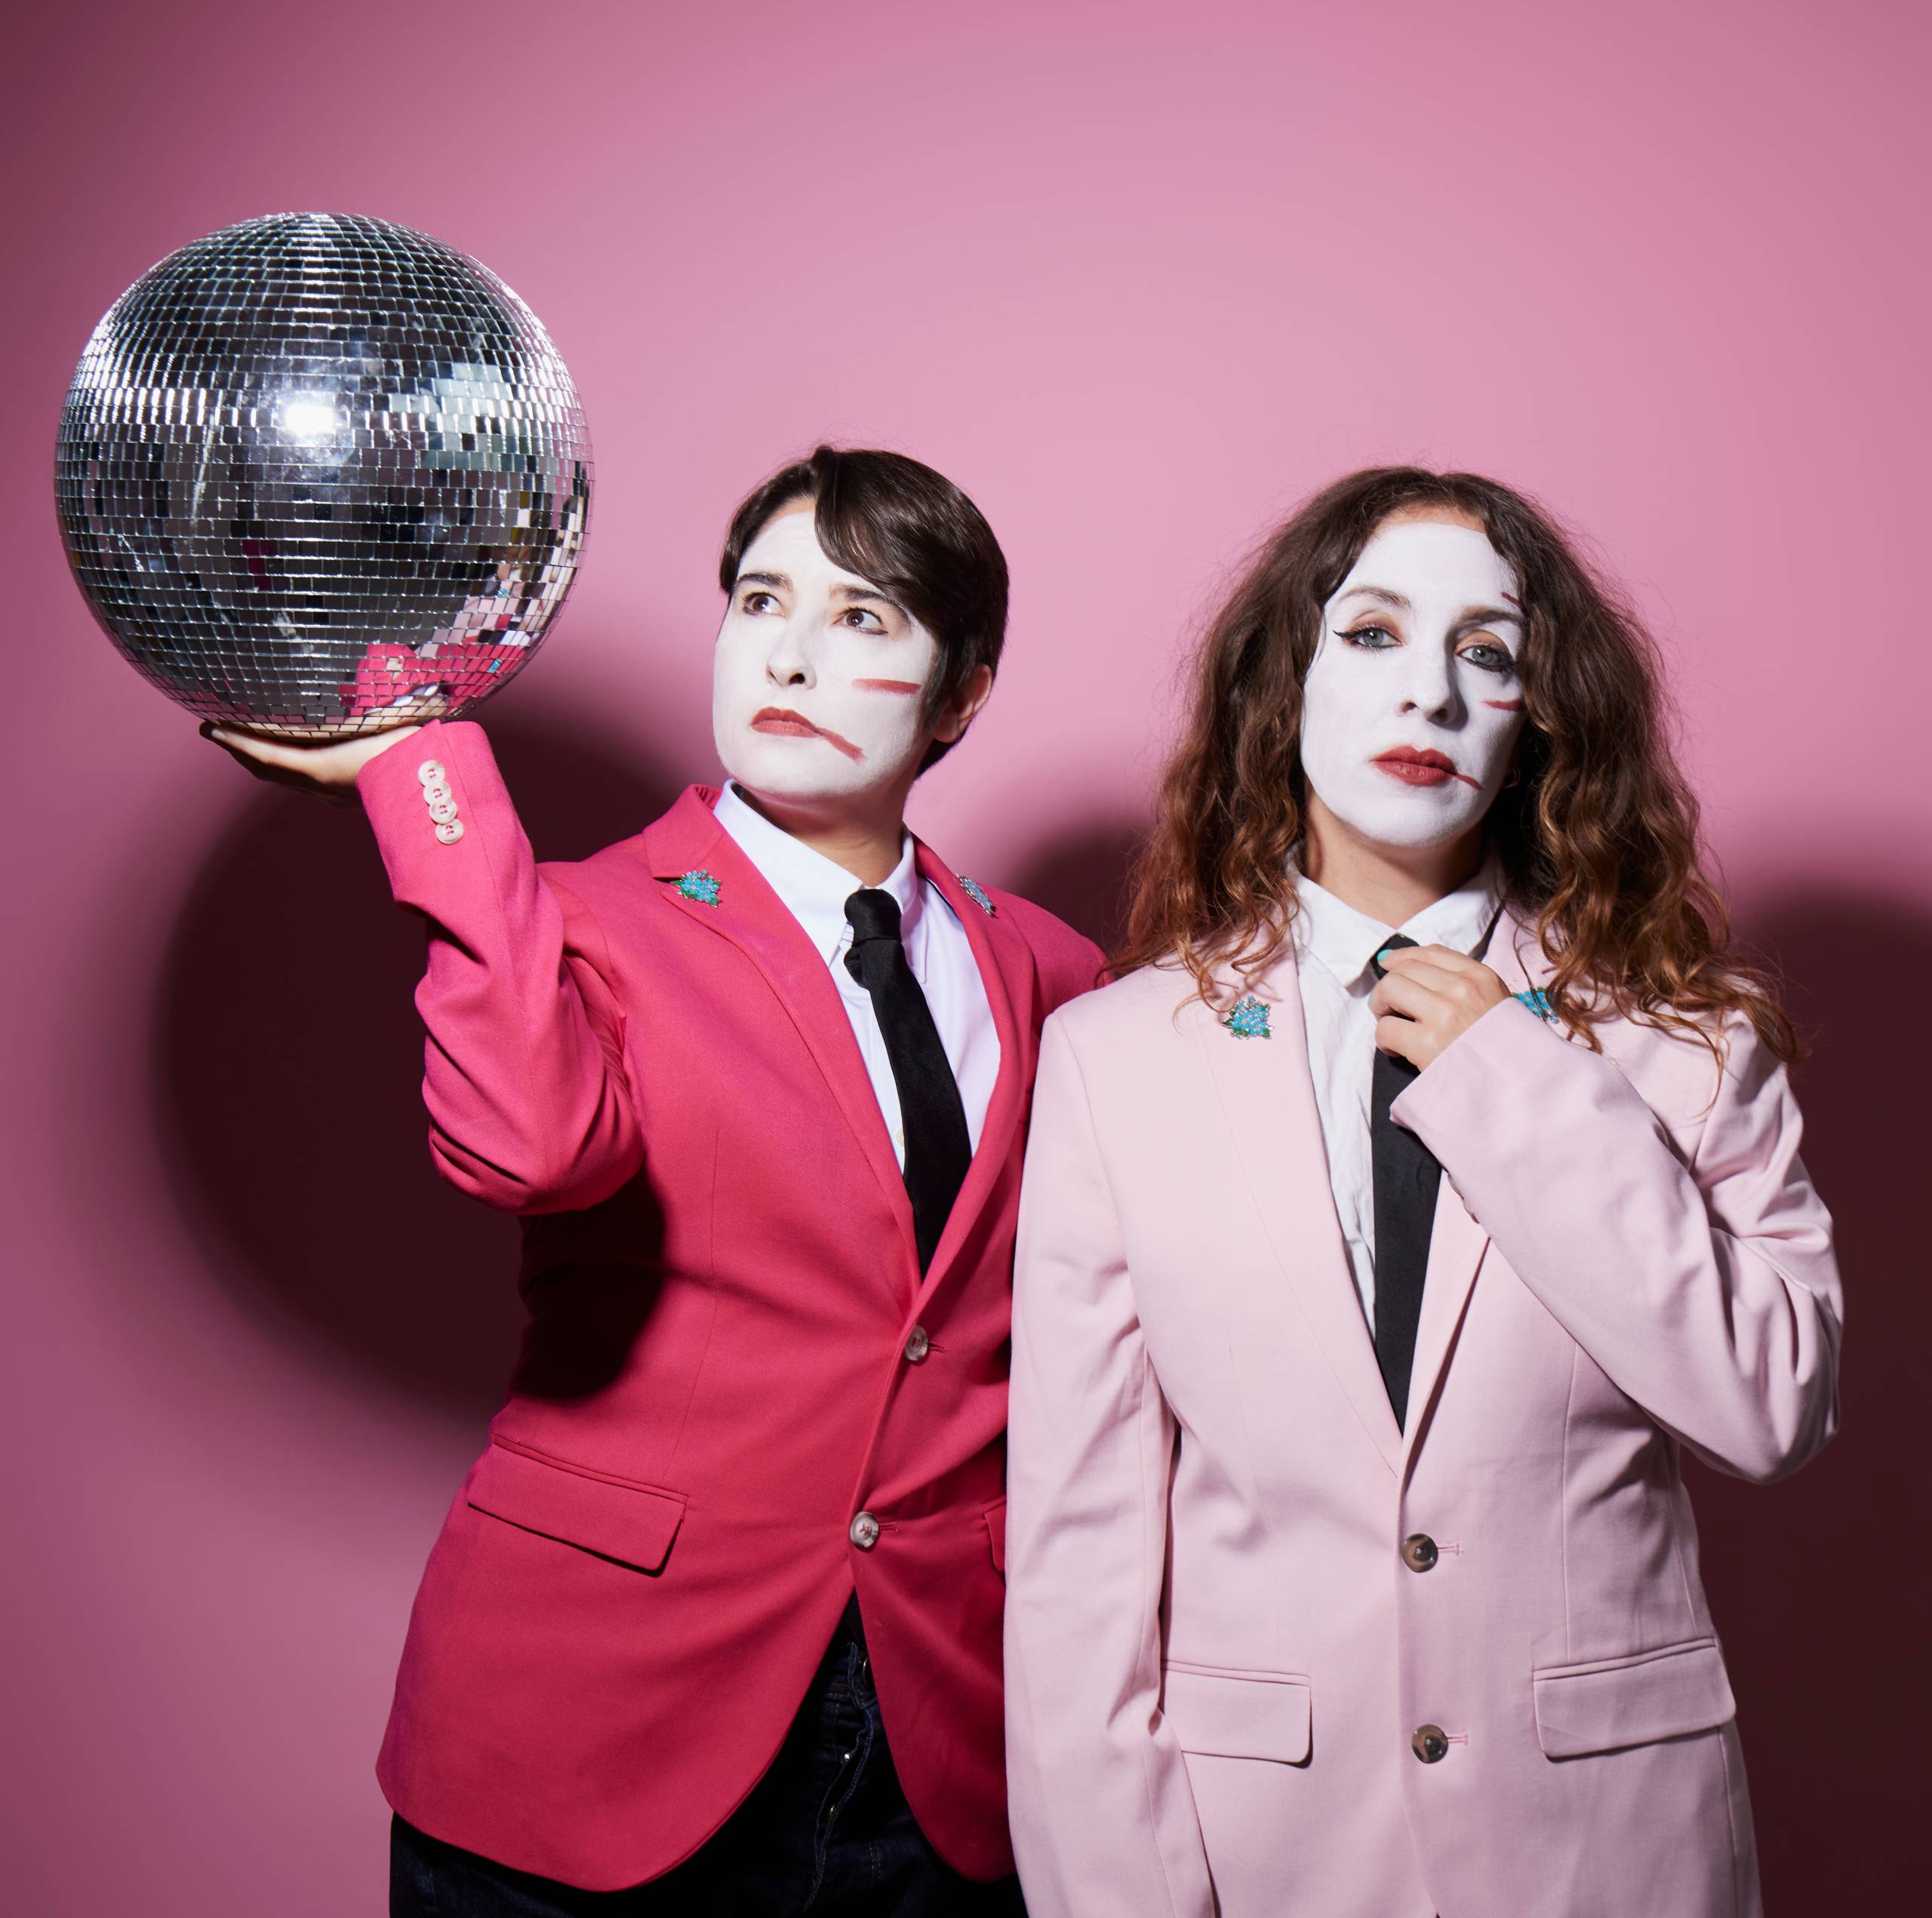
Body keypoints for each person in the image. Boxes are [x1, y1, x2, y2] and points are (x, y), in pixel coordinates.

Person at [211, 445, 1102, 1913]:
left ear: (961, 693)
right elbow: (524, 1144)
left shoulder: (1051, 968)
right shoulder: (569, 920)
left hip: (940, 1746)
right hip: (586, 1718)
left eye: (864, 617)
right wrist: (429, 793)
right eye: (760, 599)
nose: (793, 653)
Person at [1002, 466, 1841, 1918]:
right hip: (1262, 1854)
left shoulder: (1688, 1048)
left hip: (1609, 1853)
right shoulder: (1112, 1062)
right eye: (1376, 634)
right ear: (1288, 682)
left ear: (1537, 725)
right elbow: (1080, 1576)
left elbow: (1771, 1405)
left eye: (1490, 655)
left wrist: (1521, 1083)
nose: (1434, 697)